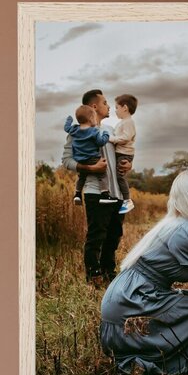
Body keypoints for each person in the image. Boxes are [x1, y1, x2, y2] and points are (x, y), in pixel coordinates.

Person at [100, 168, 188, 375]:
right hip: (131, 306)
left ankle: (153, 349)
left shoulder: (177, 225)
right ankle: (161, 357)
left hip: (122, 303)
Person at [61, 89, 129, 285]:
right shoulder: (76, 131)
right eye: (105, 102)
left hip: (116, 193)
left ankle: (109, 273)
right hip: (94, 192)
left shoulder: (110, 130)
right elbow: (66, 161)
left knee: (114, 236)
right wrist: (90, 167)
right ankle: (93, 275)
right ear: (94, 107)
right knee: (96, 236)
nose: (108, 106)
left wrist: (127, 164)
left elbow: (121, 154)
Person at [65, 105, 112, 205]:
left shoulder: (74, 130)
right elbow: (101, 142)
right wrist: (106, 135)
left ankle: (77, 194)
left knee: (81, 177)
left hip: (80, 159)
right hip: (92, 158)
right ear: (91, 118)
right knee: (103, 174)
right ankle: (104, 194)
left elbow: (66, 128)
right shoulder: (94, 131)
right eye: (95, 117)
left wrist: (69, 120)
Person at [109, 94, 138, 215]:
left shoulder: (128, 122)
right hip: (121, 153)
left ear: (124, 108)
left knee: (120, 176)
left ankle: (127, 200)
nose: (115, 110)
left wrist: (111, 139)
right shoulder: (123, 122)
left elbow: (126, 138)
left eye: (116, 107)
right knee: (117, 176)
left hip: (124, 154)